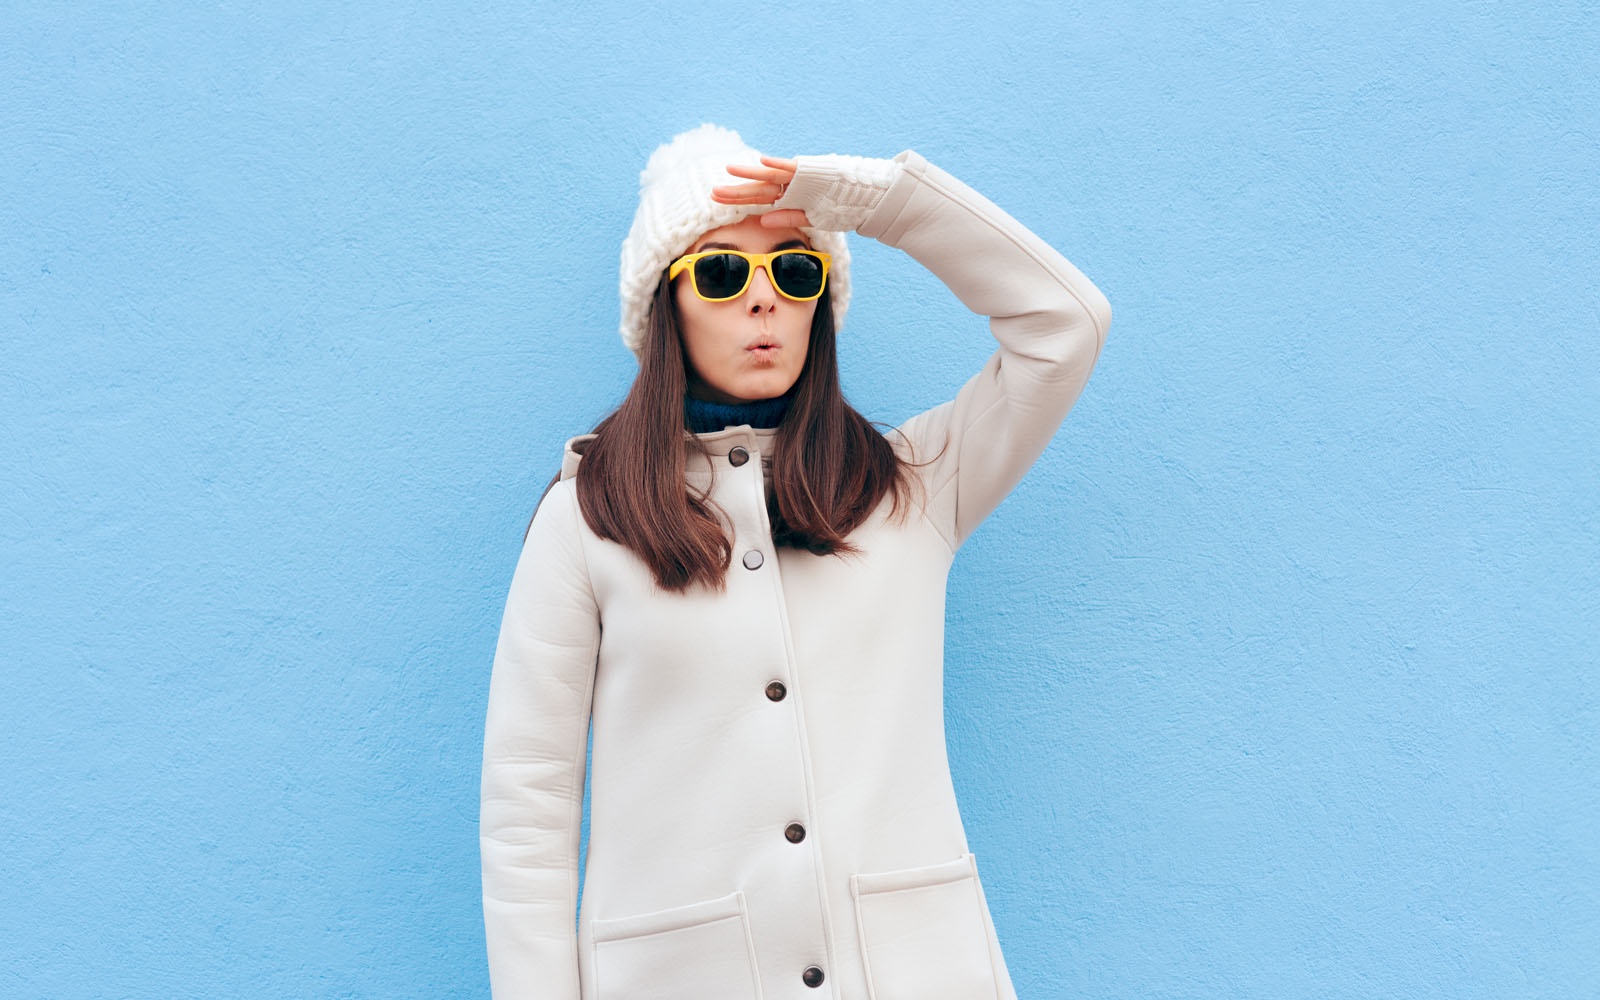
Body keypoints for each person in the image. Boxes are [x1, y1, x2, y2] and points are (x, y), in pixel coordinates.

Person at [481, 123, 1111, 1000]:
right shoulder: (587, 518)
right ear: (666, 304)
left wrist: (874, 203)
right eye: (722, 270)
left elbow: (1066, 327)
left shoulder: (914, 488)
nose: (765, 299)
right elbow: (528, 810)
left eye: (796, 268)